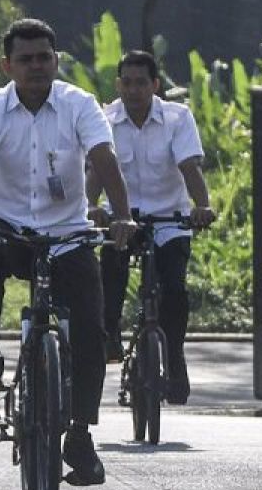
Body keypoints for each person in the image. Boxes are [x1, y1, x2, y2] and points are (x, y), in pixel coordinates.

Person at [0, 19, 137, 486]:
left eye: (44, 58)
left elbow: (103, 158)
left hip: (67, 234)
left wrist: (122, 216)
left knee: (90, 331)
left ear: (56, 60)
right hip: (7, 229)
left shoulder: (79, 104)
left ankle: (81, 434)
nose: (36, 66)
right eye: (26, 59)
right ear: (7, 66)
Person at [90, 50, 215, 405]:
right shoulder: (104, 119)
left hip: (168, 219)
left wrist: (202, 206)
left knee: (174, 290)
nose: (134, 90)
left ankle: (174, 358)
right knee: (111, 273)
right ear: (118, 85)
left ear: (155, 85)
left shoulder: (177, 118)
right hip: (121, 218)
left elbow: (190, 167)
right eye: (127, 83)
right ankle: (110, 334)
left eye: (141, 83)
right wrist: (90, 207)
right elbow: (96, 171)